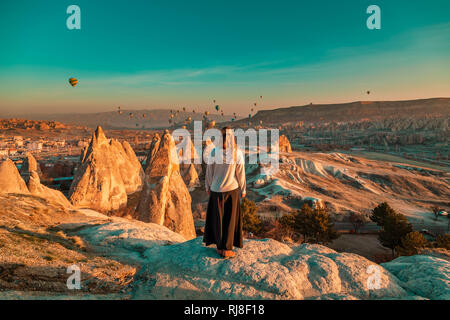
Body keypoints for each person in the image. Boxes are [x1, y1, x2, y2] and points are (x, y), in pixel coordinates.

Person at [203, 127, 246, 258]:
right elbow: (240, 173)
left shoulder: (214, 152)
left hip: (216, 190)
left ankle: (219, 247)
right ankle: (227, 249)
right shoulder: (237, 153)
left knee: (218, 219)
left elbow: (209, 172)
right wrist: (243, 189)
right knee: (229, 220)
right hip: (231, 190)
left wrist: (208, 186)